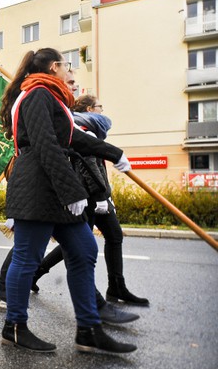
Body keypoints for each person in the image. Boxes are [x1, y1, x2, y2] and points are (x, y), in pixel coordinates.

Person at [0, 48, 136, 354]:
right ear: (54, 66)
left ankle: (88, 330)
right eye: (67, 66)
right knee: (26, 258)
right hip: (36, 186)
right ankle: (15, 327)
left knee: (84, 249)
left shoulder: (50, 96)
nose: (69, 74)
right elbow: (45, 144)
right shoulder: (36, 95)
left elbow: (72, 136)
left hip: (53, 184)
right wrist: (71, 191)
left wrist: (114, 153)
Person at [31, 95, 149, 305]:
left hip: (99, 195)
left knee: (112, 236)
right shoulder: (82, 127)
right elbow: (88, 164)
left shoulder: (90, 128)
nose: (102, 110)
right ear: (89, 109)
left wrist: (107, 196)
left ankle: (116, 287)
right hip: (88, 197)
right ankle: (39, 274)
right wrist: (100, 197)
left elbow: (99, 165)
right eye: (99, 107)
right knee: (78, 244)